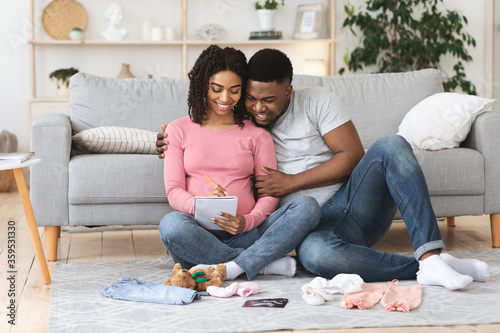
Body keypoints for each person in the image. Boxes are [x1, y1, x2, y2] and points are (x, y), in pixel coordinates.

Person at [158, 48, 490, 290]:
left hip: (351, 204)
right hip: (313, 229)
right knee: (315, 258)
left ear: (288, 90)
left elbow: (353, 154)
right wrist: (164, 141)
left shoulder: (315, 101)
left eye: (270, 100)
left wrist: (290, 182)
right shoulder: (246, 120)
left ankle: (430, 254)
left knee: (391, 145)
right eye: (250, 98)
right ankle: (425, 268)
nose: (259, 107)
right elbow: (207, 131)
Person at [159, 45, 320, 282]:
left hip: (249, 233)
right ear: (203, 84)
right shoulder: (178, 129)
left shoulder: (257, 134)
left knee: (307, 207)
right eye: (217, 89)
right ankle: (257, 264)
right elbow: (173, 191)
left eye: (234, 90)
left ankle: (225, 264)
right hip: (198, 235)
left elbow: (270, 194)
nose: (225, 99)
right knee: (170, 225)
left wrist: (247, 221)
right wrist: (200, 204)